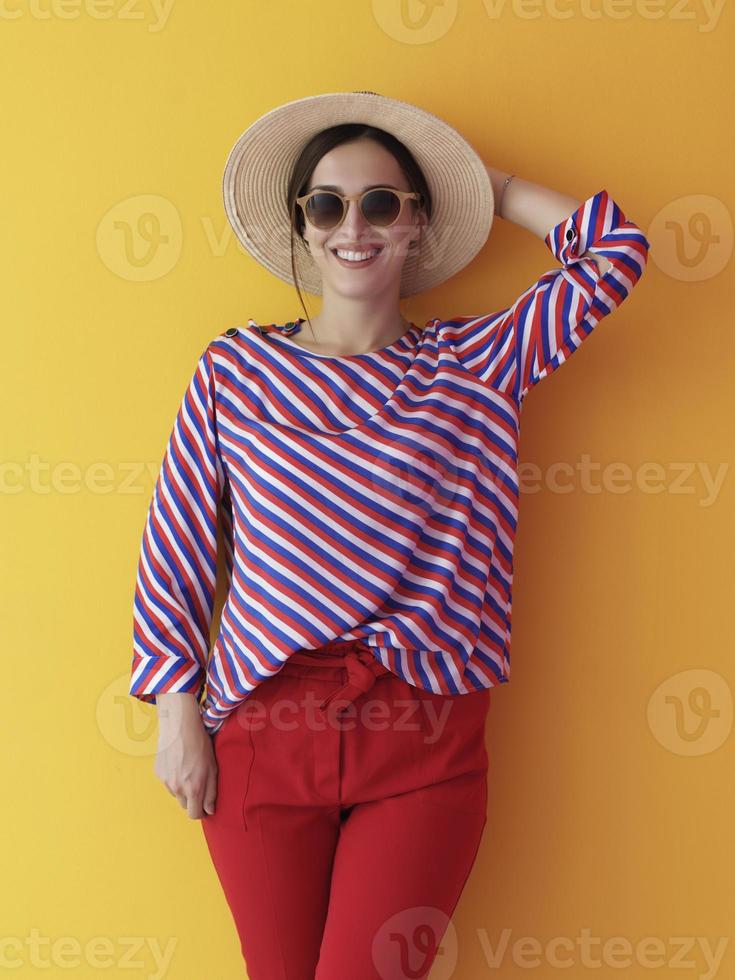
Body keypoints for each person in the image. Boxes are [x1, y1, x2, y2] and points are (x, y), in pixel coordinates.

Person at [129, 91, 650, 979]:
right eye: (326, 204)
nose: (353, 226)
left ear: (414, 226)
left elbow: (613, 253)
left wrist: (477, 181)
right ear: (302, 227)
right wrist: (176, 707)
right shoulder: (235, 369)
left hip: (424, 732)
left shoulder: (477, 364)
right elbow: (178, 541)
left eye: (382, 202)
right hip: (263, 730)